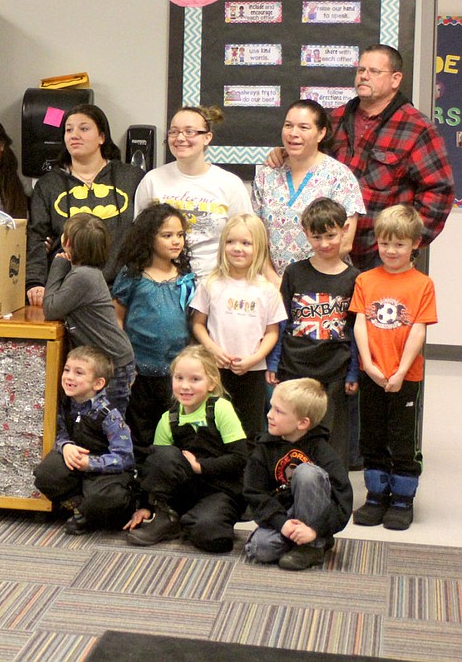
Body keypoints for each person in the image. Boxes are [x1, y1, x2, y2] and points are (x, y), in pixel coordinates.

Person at [267, 45, 454, 268]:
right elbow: (309, 157)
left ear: (395, 79)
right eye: (360, 70)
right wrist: (283, 153)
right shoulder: (334, 119)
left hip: (381, 254)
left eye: (374, 72)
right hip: (328, 250)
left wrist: (406, 242)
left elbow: (439, 191)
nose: (364, 76)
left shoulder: (417, 129)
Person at [349, 205, 437, 531]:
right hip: (371, 372)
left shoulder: (422, 284)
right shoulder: (365, 280)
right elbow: (360, 323)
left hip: (405, 376)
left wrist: (400, 370)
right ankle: (375, 495)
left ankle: (402, 498)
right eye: (385, 243)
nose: (391, 250)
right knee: (372, 434)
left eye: (399, 244)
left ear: (415, 244)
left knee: (401, 437)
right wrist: (369, 364)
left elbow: (418, 329)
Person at [123, 346, 248, 552]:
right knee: (161, 454)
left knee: (211, 537)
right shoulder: (168, 418)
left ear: (211, 383)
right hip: (185, 490)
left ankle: (200, 519)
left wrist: (200, 467)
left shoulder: (220, 409)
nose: (185, 386)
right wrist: (145, 505)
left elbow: (239, 458)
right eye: (179, 378)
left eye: (194, 379)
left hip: (220, 490)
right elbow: (155, 467)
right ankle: (167, 517)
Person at [267, 198, 360, 467]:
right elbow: (281, 321)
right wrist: (274, 362)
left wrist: (353, 371)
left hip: (335, 370)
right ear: (305, 233)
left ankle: (332, 494)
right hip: (294, 367)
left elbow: (354, 331)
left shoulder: (355, 278)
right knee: (291, 432)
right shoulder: (295, 273)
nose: (324, 243)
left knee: (332, 439)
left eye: (331, 235)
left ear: (344, 230)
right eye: (317, 237)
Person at [27, 104, 144, 301]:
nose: (74, 135)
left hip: (123, 291)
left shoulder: (131, 178)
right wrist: (34, 282)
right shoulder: (48, 184)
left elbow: (145, 234)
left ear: (102, 137)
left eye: (84, 128)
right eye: (68, 129)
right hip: (66, 290)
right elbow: (36, 237)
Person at [190, 214, 285, 441]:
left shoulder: (267, 289)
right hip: (215, 370)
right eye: (231, 242)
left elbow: (272, 332)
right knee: (214, 426)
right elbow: (198, 324)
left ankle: (247, 474)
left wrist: (256, 358)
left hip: (252, 370)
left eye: (246, 243)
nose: (237, 248)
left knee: (249, 428)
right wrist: (213, 350)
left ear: (259, 247)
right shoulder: (210, 283)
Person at [111, 204, 196, 453]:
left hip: (175, 372)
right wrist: (123, 363)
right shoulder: (133, 276)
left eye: (180, 235)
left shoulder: (186, 278)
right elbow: (117, 320)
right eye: (167, 235)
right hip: (139, 371)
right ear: (148, 238)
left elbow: (192, 323)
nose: (176, 241)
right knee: (139, 430)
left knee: (172, 429)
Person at [244, 378, 352, 571]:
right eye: (271, 408)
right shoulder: (264, 448)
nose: (269, 415)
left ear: (303, 423)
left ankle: (312, 544)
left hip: (315, 518)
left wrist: (314, 529)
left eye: (279, 411)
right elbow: (254, 492)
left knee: (306, 473)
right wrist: (282, 523)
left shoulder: (323, 451)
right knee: (260, 548)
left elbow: (343, 501)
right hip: (285, 515)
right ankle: (307, 541)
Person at [134, 106, 252, 277]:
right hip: (163, 284)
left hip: (215, 282)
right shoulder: (152, 180)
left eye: (189, 132)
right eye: (174, 132)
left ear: (207, 137)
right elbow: (140, 238)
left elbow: (247, 237)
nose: (180, 138)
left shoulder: (230, 184)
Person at [252, 99, 364, 278]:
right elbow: (255, 236)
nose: (293, 133)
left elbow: (345, 243)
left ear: (321, 133)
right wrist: (275, 281)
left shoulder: (339, 176)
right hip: (271, 286)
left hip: (323, 283)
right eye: (288, 125)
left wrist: (304, 283)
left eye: (303, 127)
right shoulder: (267, 174)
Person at [32, 346, 136, 535]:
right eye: (67, 370)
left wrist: (91, 463)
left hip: (105, 471)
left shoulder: (109, 415)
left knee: (106, 499)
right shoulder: (66, 402)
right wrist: (66, 447)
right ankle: (82, 510)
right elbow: (61, 433)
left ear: (98, 384)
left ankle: (94, 511)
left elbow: (125, 458)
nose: (69, 377)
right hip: (77, 463)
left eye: (79, 373)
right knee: (46, 473)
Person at [42, 214, 136, 416]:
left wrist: (58, 265)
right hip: (111, 359)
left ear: (66, 243)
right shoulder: (86, 273)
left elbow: (50, 308)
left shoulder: (82, 276)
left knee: (109, 423)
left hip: (112, 363)